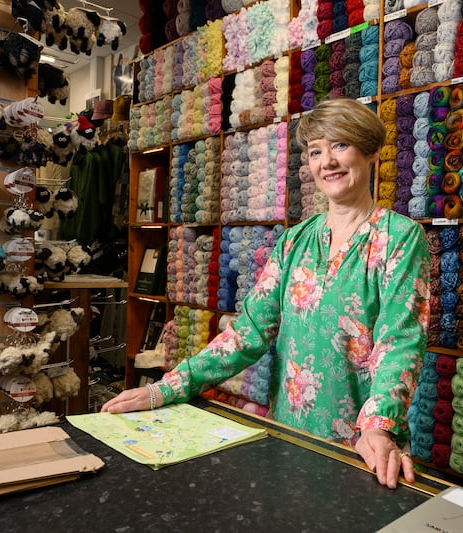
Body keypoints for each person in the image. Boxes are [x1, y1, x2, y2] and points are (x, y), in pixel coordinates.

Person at [102, 98, 431, 489]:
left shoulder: (400, 238)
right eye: (315, 151)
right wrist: (169, 387)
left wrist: (379, 427)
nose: (327, 162)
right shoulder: (294, 242)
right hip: (291, 434)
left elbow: (400, 340)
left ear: (372, 151)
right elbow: (249, 332)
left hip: (363, 447)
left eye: (340, 145)